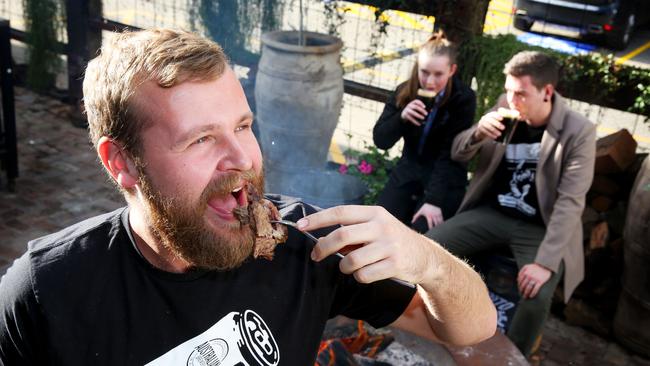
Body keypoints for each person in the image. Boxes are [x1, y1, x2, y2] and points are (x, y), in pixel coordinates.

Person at [0, 28, 496, 365]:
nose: (242, 158)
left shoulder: (306, 242)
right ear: (121, 162)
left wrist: (426, 260)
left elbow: (471, 328)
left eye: (243, 126)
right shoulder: (46, 291)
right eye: (200, 139)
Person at [425, 51, 596, 357]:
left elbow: (571, 202)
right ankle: (434, 324)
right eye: (508, 90)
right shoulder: (505, 109)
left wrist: (544, 264)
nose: (511, 99)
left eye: (520, 93)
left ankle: (513, 357)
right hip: (492, 212)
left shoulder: (577, 131)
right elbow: (457, 153)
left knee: (537, 294)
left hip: (538, 225)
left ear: (547, 92)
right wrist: (478, 133)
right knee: (429, 247)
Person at [373, 31, 476, 233]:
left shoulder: (463, 98)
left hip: (444, 180)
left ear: (452, 70)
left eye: (438, 74)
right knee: (378, 227)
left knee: (421, 233)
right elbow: (381, 140)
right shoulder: (405, 91)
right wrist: (401, 118)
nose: (429, 82)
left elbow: (450, 156)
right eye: (424, 72)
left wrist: (434, 200)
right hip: (409, 172)